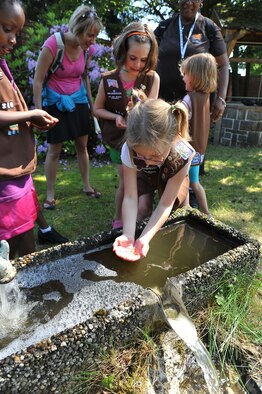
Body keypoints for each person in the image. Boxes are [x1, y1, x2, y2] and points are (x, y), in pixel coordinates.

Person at [0, 0, 60, 259]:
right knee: (19, 253)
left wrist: (30, 121)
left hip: (16, 173)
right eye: (6, 29)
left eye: (17, 32)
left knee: (26, 248)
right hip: (5, 180)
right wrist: (31, 113)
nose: (13, 39)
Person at [33, 5, 103, 210]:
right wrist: (38, 113)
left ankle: (87, 186)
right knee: (54, 149)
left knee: (82, 146)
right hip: (55, 102)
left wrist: (91, 105)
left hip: (78, 100)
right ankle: (50, 194)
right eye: (90, 35)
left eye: (95, 36)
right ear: (78, 29)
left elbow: (85, 77)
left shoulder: (86, 49)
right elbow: (38, 81)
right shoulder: (53, 45)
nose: (93, 41)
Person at [113, 91, 195, 262]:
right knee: (143, 207)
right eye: (141, 155)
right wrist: (129, 234)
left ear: (171, 140)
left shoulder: (184, 154)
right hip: (143, 173)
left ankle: (173, 253)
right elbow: (129, 196)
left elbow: (165, 203)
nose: (149, 162)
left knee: (177, 213)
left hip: (172, 171)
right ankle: (134, 236)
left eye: (155, 156)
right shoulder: (129, 148)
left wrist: (145, 238)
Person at [94, 22, 160, 230]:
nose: (138, 64)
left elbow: (151, 111)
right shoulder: (109, 79)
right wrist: (115, 118)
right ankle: (118, 221)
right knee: (125, 180)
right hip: (117, 140)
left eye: (143, 59)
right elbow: (97, 109)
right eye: (133, 58)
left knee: (138, 180)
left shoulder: (151, 78)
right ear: (123, 51)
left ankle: (138, 216)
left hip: (141, 142)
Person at [154, 0, 229, 123]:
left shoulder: (209, 28)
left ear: (201, 1)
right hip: (163, 104)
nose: (188, 3)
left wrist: (221, 98)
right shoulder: (164, 27)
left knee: (193, 141)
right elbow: (148, 59)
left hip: (196, 106)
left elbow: (223, 65)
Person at [181, 53, 217, 216]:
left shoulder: (189, 99)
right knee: (194, 182)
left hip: (187, 150)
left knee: (187, 181)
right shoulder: (205, 97)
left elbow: (179, 119)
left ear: (195, 76)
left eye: (185, 74)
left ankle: (190, 211)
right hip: (199, 150)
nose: (183, 78)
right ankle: (204, 212)